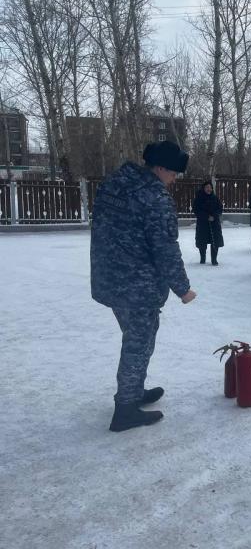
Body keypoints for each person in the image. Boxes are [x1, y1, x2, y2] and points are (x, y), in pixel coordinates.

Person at [90, 140, 196, 432]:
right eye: (173, 173)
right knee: (138, 344)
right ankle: (125, 409)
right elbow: (165, 248)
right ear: (160, 167)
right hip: (137, 285)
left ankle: (134, 391)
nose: (175, 179)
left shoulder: (114, 184)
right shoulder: (153, 196)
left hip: (110, 278)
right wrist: (183, 288)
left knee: (138, 338)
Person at [192, 180, 224, 266]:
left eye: (210, 187)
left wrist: (214, 216)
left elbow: (220, 208)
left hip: (214, 223)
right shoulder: (198, 198)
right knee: (202, 241)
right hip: (203, 223)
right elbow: (196, 210)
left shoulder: (215, 198)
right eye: (207, 187)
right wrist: (206, 217)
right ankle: (202, 258)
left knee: (215, 241)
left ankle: (214, 259)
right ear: (203, 189)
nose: (209, 189)